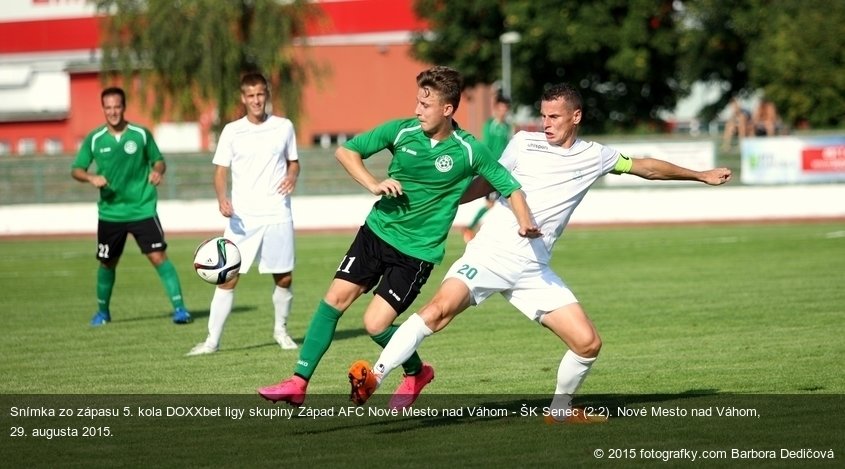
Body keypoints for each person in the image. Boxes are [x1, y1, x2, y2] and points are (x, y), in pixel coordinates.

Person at [347, 83, 732, 420]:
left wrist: (701, 175)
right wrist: (443, 201)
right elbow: (487, 182)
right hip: (490, 254)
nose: (545, 123)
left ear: (575, 116)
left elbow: (645, 167)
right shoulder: (523, 143)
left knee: (588, 343)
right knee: (437, 312)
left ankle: (560, 412)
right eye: (543, 115)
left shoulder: (595, 155)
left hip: (534, 269)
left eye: (554, 116)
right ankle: (375, 376)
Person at [257, 65, 540, 407]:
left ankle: (417, 372)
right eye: (417, 102)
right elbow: (346, 152)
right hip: (376, 233)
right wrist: (374, 183)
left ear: (448, 109)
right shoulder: (402, 131)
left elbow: (510, 186)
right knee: (333, 300)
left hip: (416, 253)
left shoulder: (468, 150)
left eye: (426, 104)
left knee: (375, 325)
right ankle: (298, 382)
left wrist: (525, 223)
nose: (418, 110)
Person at [187, 73, 301, 356]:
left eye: (260, 94)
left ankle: (281, 331)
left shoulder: (284, 127)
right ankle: (211, 342)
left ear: (267, 94)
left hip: (277, 213)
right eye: (250, 96)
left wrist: (292, 176)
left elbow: (294, 163)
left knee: (283, 277)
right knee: (227, 277)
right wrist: (222, 198)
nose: (256, 100)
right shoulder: (232, 131)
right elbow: (220, 170)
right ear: (243, 98)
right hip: (243, 218)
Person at [71, 87, 192, 326]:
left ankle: (180, 309)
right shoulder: (95, 139)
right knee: (107, 262)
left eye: (117, 107)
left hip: (142, 208)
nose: (113, 112)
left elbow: (158, 160)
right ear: (103, 109)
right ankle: (103, 313)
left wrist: (157, 171)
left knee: (158, 257)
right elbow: (76, 169)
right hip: (111, 212)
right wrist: (91, 178)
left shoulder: (140, 134)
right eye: (108, 108)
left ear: (123, 107)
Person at [462, 93, 513, 242]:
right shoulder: (490, 125)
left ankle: (472, 228)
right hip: (492, 170)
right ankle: (470, 227)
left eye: (506, 108)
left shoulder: (508, 126)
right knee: (492, 203)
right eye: (501, 108)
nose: (503, 111)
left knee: (508, 200)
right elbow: (485, 146)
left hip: (504, 169)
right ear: (496, 108)